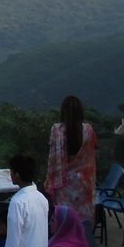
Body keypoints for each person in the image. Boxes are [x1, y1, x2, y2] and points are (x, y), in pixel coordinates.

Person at [46, 95, 97, 225]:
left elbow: (53, 162)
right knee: (81, 225)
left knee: (65, 225)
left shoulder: (57, 130)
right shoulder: (88, 130)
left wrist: (49, 181)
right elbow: (90, 157)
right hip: (83, 185)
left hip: (63, 187)